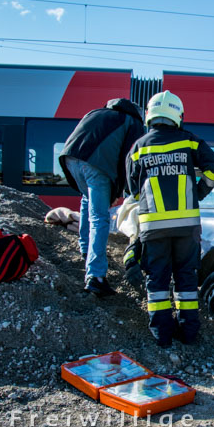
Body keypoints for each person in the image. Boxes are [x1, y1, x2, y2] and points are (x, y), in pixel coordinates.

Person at [126, 91, 214, 348]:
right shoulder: (190, 141)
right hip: (186, 227)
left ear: (149, 115)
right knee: (186, 280)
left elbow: (133, 192)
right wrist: (200, 191)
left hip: (153, 228)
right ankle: (189, 333)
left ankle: (162, 336)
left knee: (157, 282)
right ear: (178, 115)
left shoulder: (138, 148)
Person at [59, 98, 144, 297]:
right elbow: (127, 160)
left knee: (86, 199)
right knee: (100, 218)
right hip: (95, 166)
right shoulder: (132, 122)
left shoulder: (96, 112)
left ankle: (85, 249)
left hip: (70, 159)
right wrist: (118, 192)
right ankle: (96, 277)